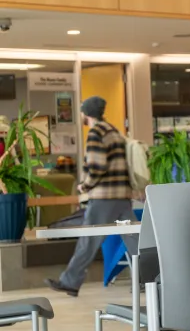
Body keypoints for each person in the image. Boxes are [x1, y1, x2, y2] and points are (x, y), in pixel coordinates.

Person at [45, 97, 137, 297]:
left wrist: (84, 186)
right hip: (121, 197)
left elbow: (97, 166)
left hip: (104, 198)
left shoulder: (96, 133)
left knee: (88, 240)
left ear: (86, 113)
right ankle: (153, 278)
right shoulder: (112, 130)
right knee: (133, 239)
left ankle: (70, 282)